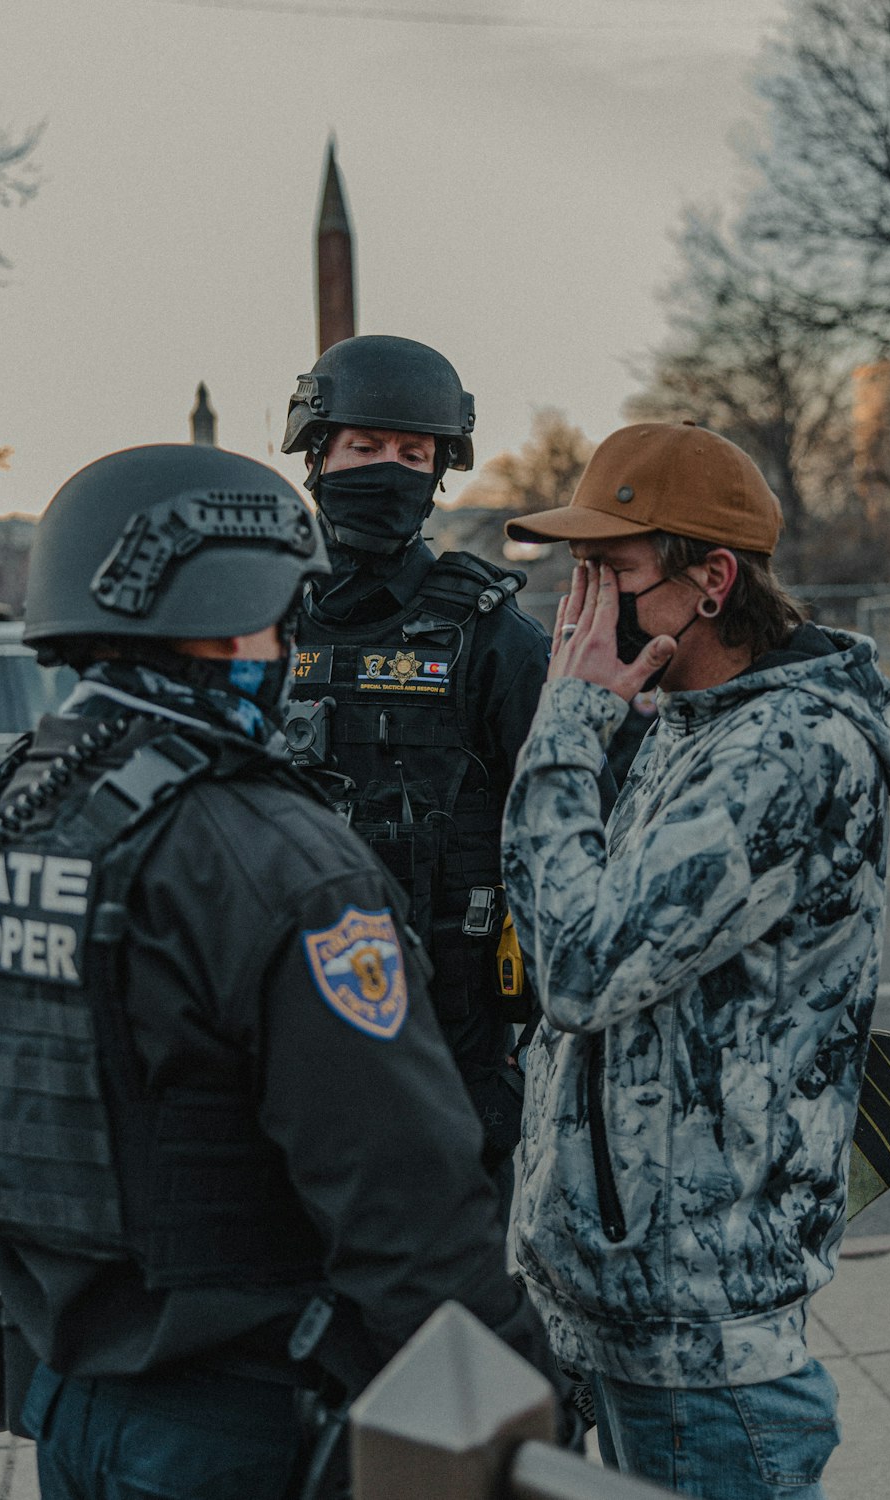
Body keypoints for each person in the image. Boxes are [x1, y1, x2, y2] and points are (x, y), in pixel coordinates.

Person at [0, 443, 551, 1500]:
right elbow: (406, 1201)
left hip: (66, 1402)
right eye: (275, 613)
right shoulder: (272, 855)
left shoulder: (3, 812)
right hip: (241, 1417)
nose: (290, 641)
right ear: (222, 616)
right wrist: (526, 1400)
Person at [501, 420, 890, 1499]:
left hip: (700, 1351)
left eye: (611, 571)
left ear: (711, 580)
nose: (581, 605)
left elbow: (580, 966)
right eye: (575, 572)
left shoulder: (789, 748)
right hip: (618, 1313)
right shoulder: (690, 720)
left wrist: (565, 723)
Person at [282, 333, 612, 1185]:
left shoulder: (489, 637)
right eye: (365, 447)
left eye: (413, 453)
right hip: (277, 1045)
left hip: (452, 1053)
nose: (389, 468)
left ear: (438, 474)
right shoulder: (254, 623)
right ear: (316, 455)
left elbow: (576, 827)